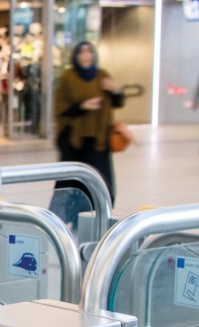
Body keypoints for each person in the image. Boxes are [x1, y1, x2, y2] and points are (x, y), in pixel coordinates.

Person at [50, 42, 124, 225]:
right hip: (74, 142)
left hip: (99, 142)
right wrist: (82, 106)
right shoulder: (68, 77)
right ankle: (59, 225)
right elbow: (60, 109)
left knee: (102, 184)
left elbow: (117, 102)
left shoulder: (102, 76)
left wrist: (115, 90)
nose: (86, 56)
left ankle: (94, 222)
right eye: (82, 52)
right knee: (70, 185)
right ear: (75, 56)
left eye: (89, 51)